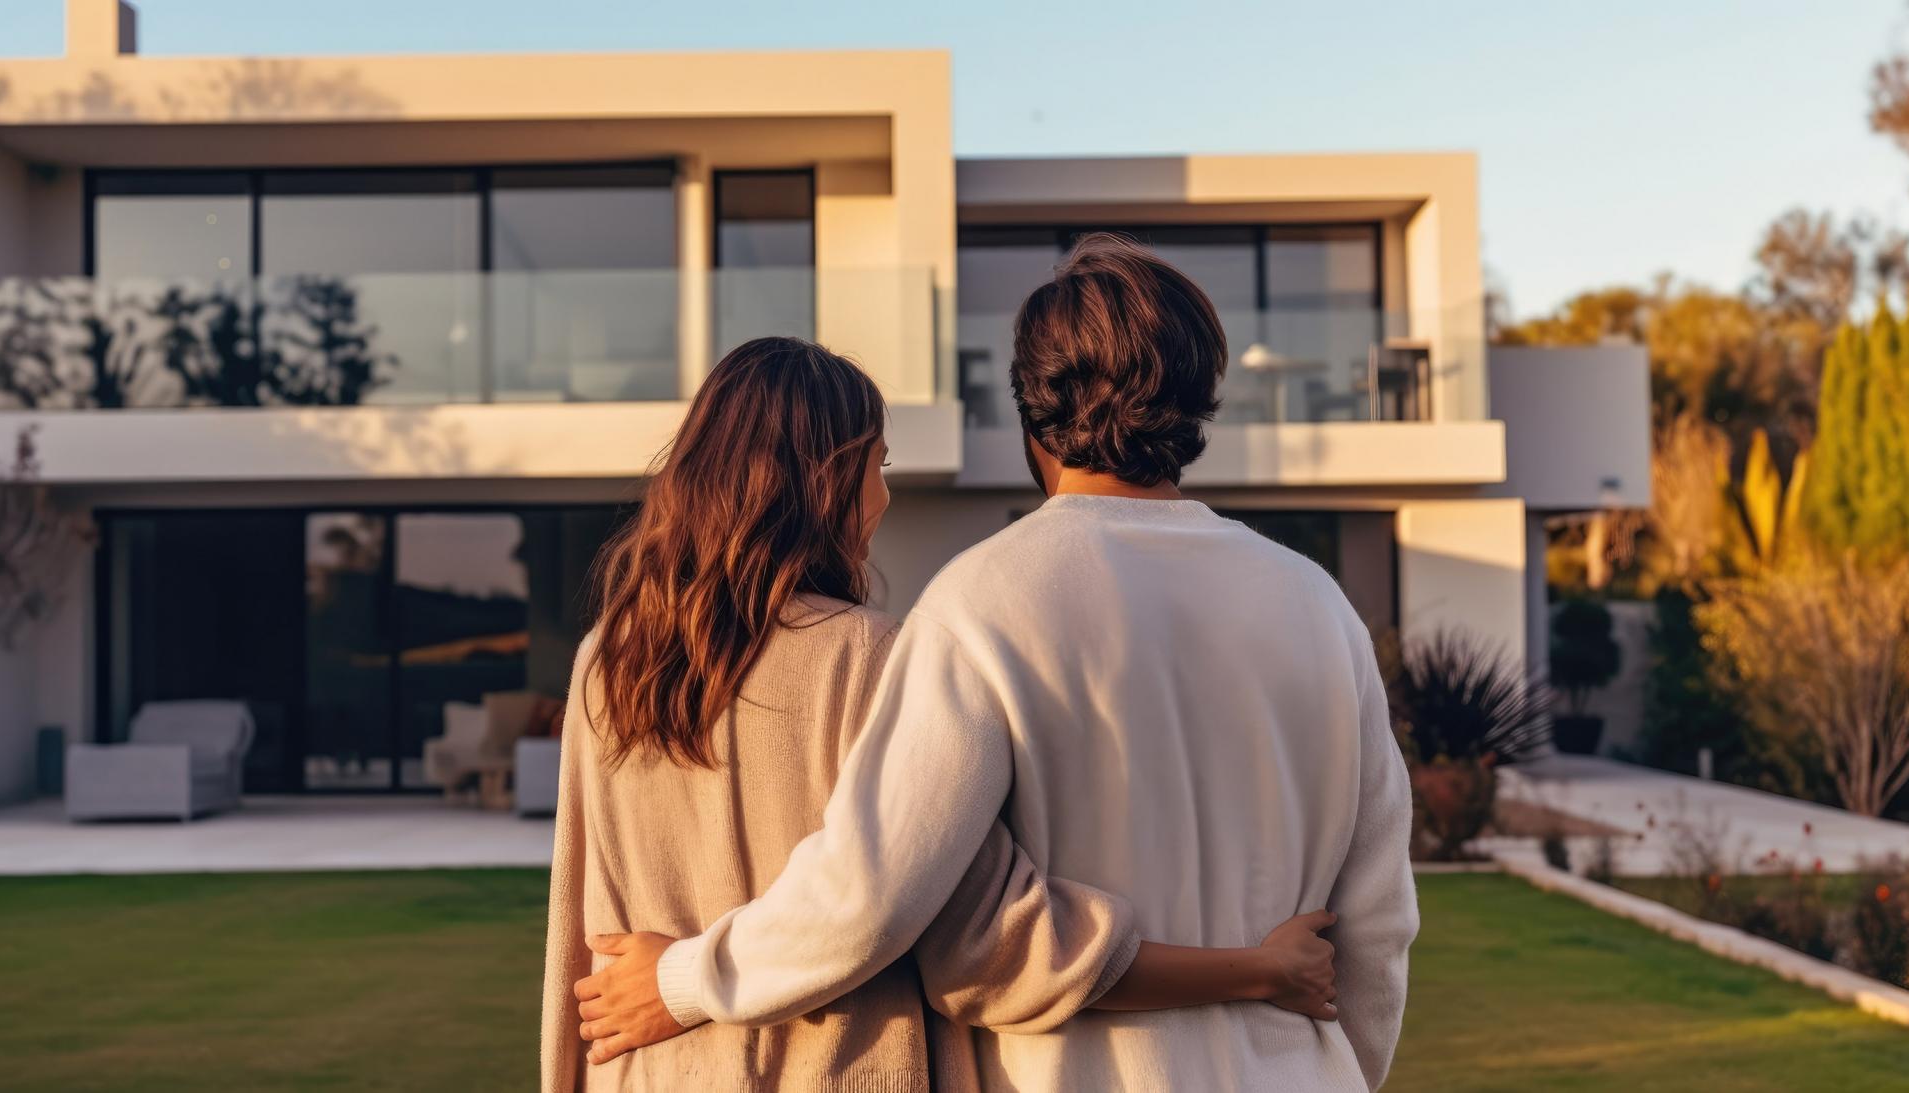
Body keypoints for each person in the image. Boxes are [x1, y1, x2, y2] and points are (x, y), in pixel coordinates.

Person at [574, 236, 1420, 1091]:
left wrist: (684, 978)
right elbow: (1379, 922)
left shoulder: (983, 602)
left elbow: (876, 894)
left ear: (1032, 414)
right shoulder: (1320, 607)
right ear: (1199, 402)